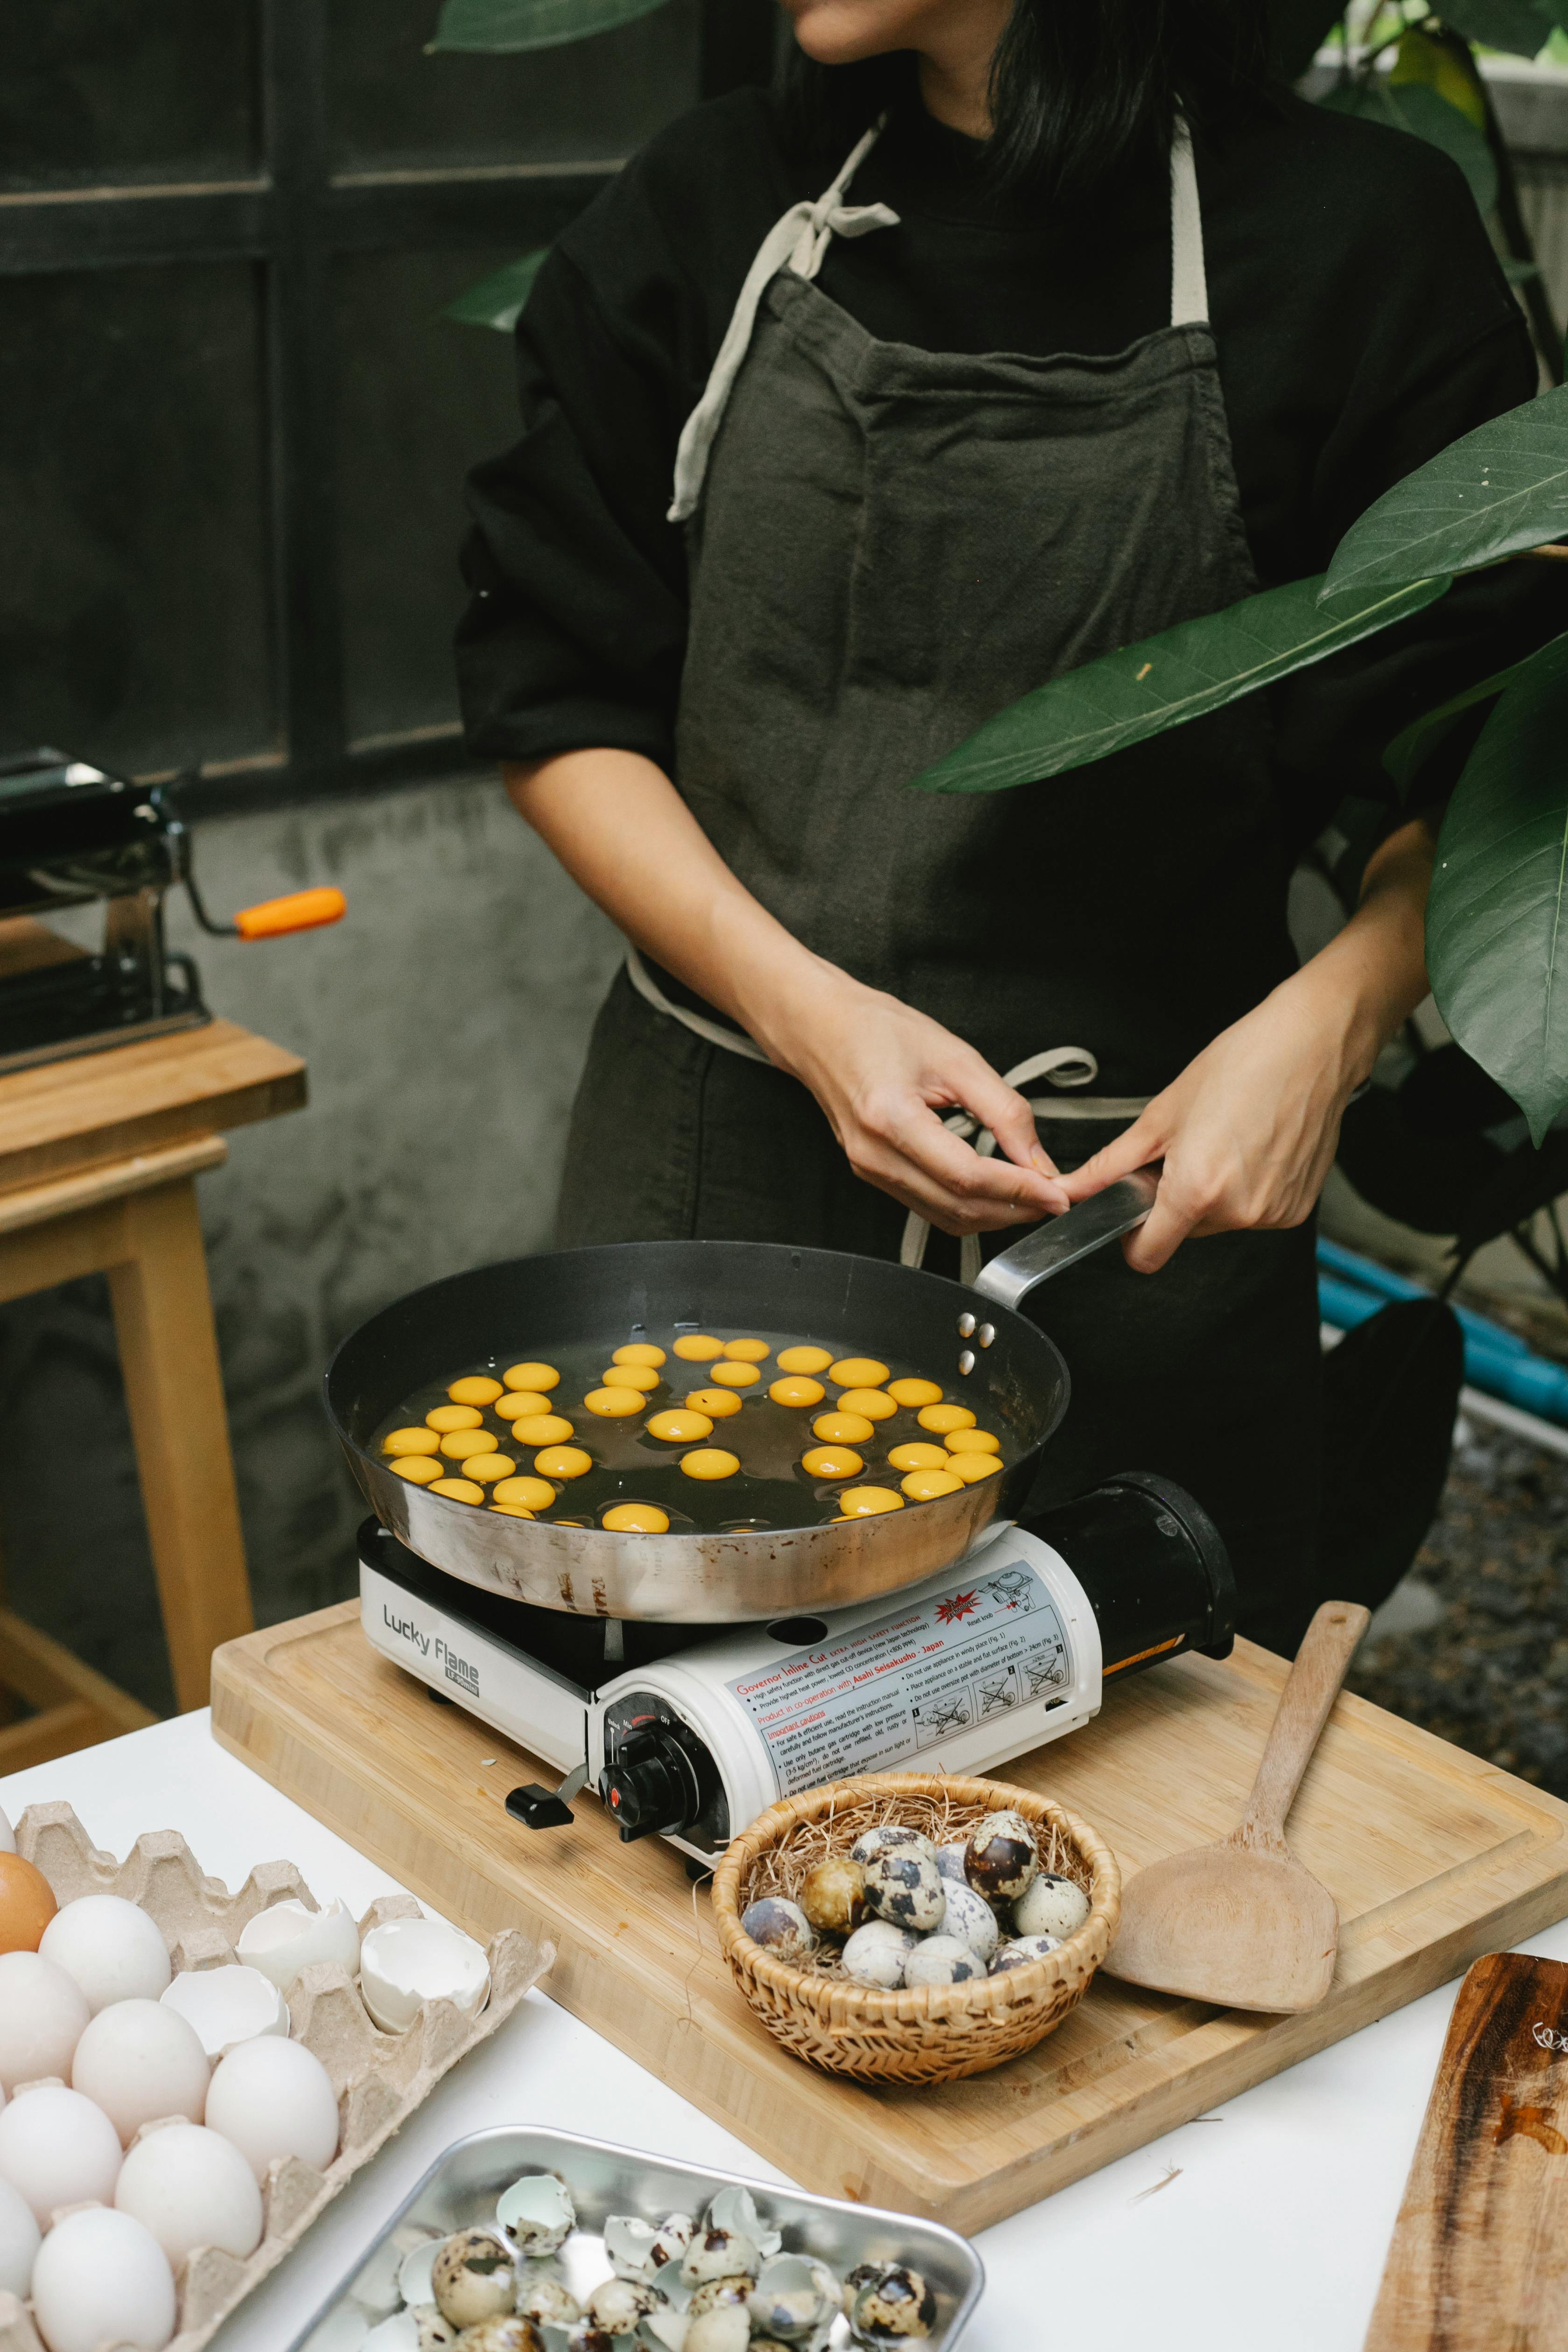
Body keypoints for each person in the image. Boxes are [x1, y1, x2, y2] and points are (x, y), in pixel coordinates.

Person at [455, 0, 1545, 1648]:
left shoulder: (1356, 240)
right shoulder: (716, 200)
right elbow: (556, 690)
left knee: (1150, 1796)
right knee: (661, 1789)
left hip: (1144, 1222)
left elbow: (1487, 759)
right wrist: (807, 1011)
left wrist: (1332, 1023)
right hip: (721, 1185)